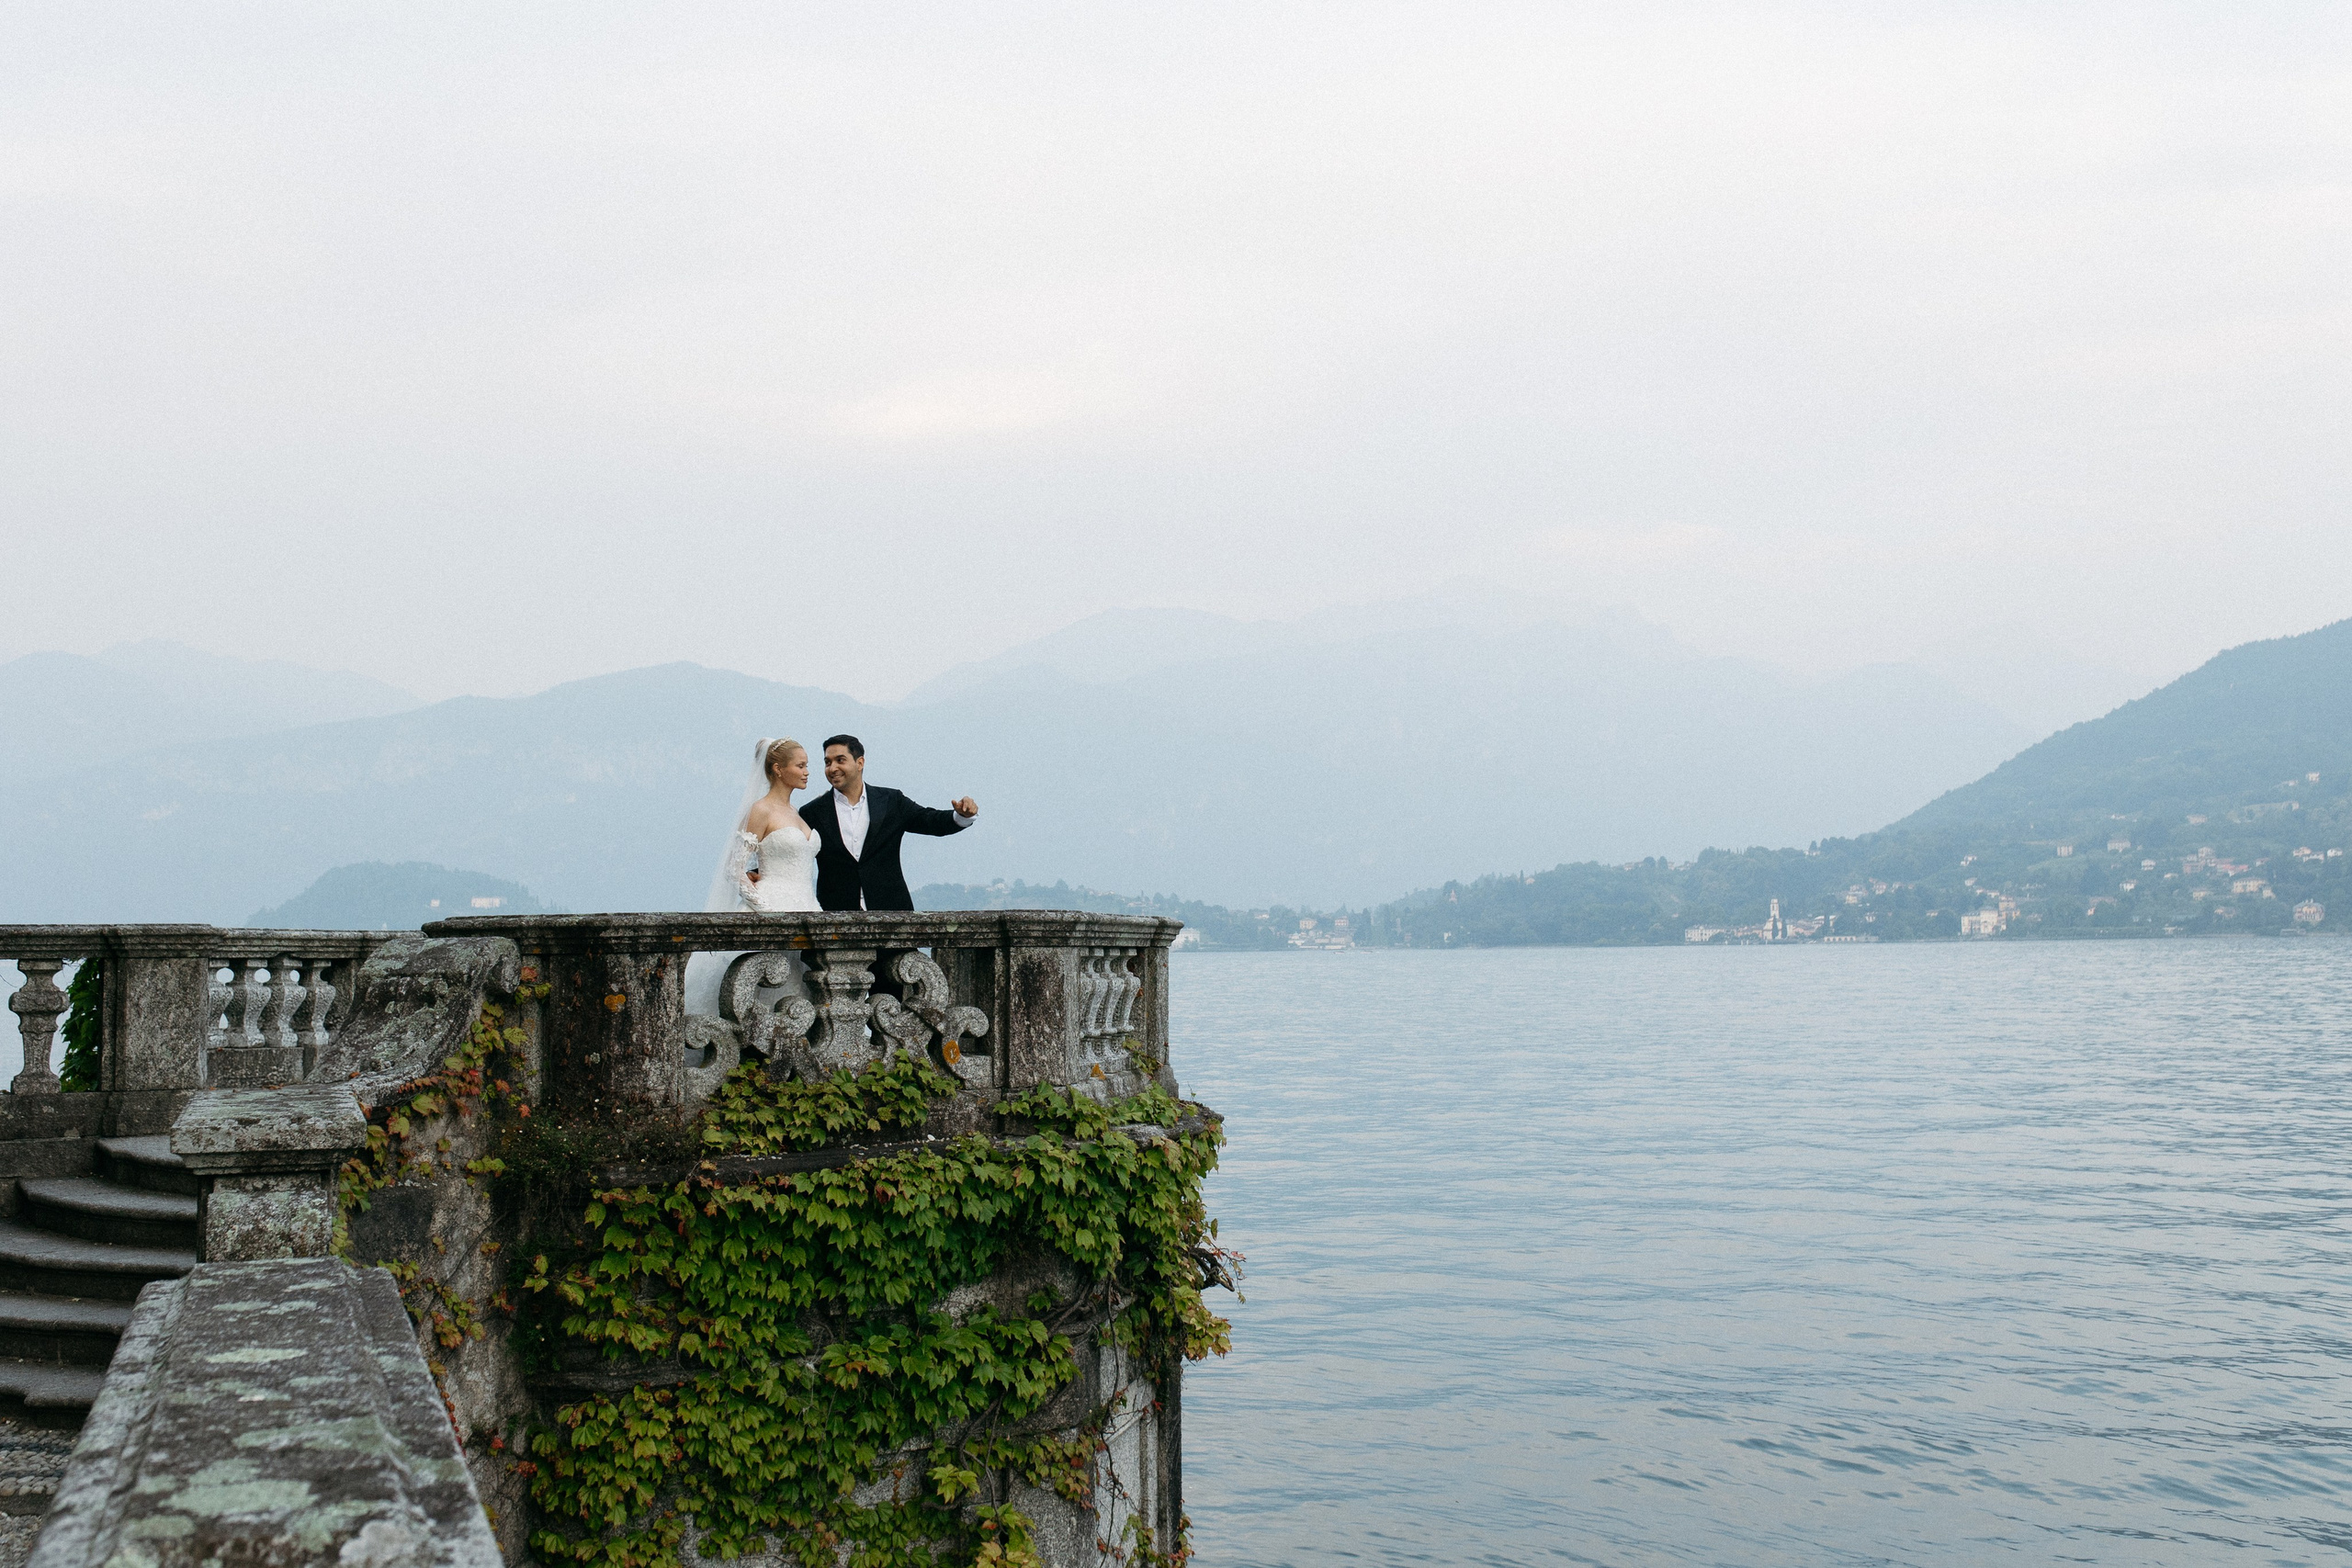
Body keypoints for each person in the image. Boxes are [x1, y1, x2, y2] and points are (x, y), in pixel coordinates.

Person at [684, 737, 820, 1016]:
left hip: (807, 908)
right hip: (771, 907)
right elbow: (733, 869)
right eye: (801, 765)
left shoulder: (796, 813)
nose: (807, 772)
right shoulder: (761, 810)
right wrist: (767, 911)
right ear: (779, 769)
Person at [797, 735, 978, 911]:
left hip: (892, 912)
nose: (832, 768)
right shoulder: (812, 812)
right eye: (828, 762)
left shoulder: (891, 801)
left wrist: (961, 815)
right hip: (834, 916)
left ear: (860, 763)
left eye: (840, 760)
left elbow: (930, 820)